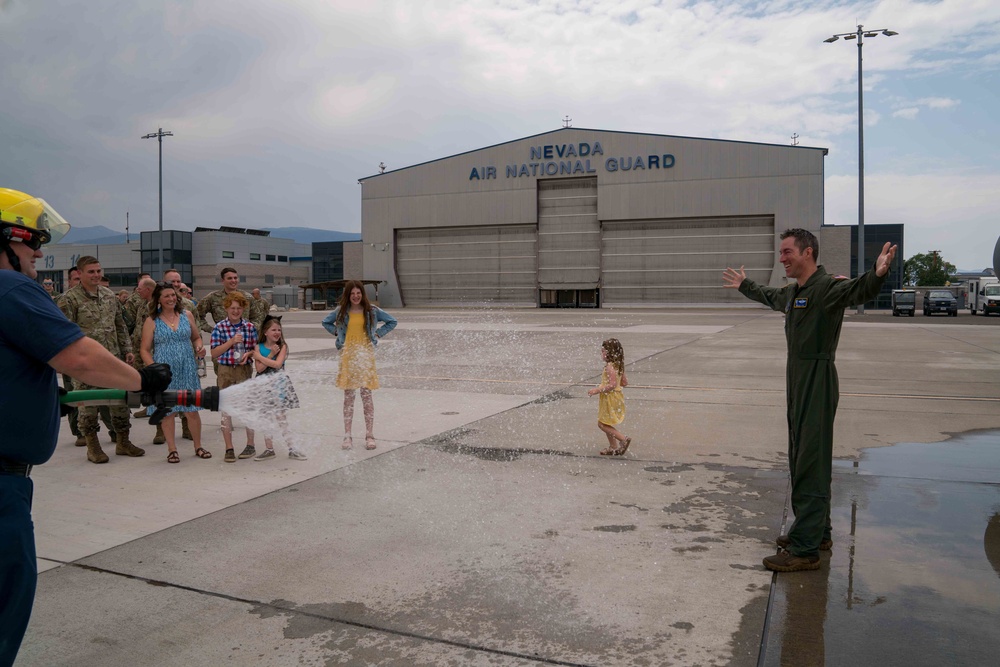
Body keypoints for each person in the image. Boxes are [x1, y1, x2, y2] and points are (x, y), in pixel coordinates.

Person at [0, 187, 171, 666]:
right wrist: (143, 379)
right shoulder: (10, 287)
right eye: (31, 240)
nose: (38, 252)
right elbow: (78, 354)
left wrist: (31, 397)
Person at [723, 228, 897, 573]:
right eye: (782, 252)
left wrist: (877, 273)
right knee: (803, 454)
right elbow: (773, 296)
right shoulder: (796, 292)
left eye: (788, 252)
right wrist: (746, 285)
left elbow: (856, 290)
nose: (782, 258)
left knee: (809, 462)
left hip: (816, 379)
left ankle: (805, 549)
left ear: (808, 253)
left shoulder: (826, 288)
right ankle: (819, 532)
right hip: (798, 380)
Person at [59, 256, 145, 463]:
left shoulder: (109, 296)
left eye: (98, 271)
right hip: (86, 363)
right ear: (79, 274)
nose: (96, 275)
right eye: (91, 272)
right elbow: (63, 332)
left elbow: (120, 325)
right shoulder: (69, 299)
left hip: (112, 358)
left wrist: (127, 349)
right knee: (87, 403)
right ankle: (92, 446)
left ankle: (123, 442)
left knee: (119, 400)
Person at [321, 280, 397, 450]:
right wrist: (337, 333)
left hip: (365, 357)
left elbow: (392, 321)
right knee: (348, 397)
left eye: (358, 293)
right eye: (352, 293)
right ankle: (347, 436)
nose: (355, 296)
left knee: (366, 396)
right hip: (348, 356)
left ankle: (369, 435)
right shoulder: (340, 311)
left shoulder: (372, 311)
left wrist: (377, 334)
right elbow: (325, 322)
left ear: (362, 294)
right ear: (348, 295)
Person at [140, 282, 210, 463]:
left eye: (173, 295)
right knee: (167, 411)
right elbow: (145, 350)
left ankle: (198, 446)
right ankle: (172, 449)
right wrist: (154, 369)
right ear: (159, 300)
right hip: (164, 372)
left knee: (192, 410)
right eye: (166, 296)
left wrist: (199, 348)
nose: (171, 299)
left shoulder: (187, 315)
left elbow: (196, 337)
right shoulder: (151, 321)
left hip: (187, 367)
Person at [210, 291, 259, 462]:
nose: (236, 311)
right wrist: (231, 342)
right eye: (232, 308)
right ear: (226, 309)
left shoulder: (250, 327)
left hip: (243, 369)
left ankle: (250, 444)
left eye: (239, 308)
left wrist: (249, 354)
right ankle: (229, 447)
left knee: (248, 407)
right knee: (226, 410)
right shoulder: (220, 327)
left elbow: (255, 349)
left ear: (243, 309)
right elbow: (214, 352)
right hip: (225, 370)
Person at [251, 316, 307, 461]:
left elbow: (277, 365)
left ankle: (292, 448)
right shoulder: (258, 347)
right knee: (265, 417)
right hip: (263, 384)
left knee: (281, 417)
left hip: (278, 384)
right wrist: (269, 355)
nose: (277, 333)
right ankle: (269, 449)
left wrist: (261, 357)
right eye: (273, 330)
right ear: (265, 332)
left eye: (279, 330)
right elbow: (259, 368)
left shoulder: (283, 346)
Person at [163, 269, 197, 441]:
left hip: (185, 360)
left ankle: (187, 427)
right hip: (162, 360)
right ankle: (161, 432)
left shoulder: (188, 306)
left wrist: (198, 348)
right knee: (166, 401)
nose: (176, 285)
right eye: (172, 282)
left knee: (187, 398)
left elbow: (194, 333)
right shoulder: (151, 307)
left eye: (178, 281)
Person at [587, 338, 632, 456]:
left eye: (603, 351)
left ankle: (623, 439)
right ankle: (613, 447)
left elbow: (612, 385)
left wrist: (597, 390)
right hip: (616, 397)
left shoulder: (610, 367)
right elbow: (624, 383)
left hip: (609, 398)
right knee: (606, 421)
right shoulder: (619, 365)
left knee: (602, 424)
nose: (601, 354)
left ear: (609, 353)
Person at [197, 267, 266, 335]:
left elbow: (257, 317)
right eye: (229, 278)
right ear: (222, 281)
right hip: (223, 339)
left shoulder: (247, 297)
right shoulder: (213, 297)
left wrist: (249, 330)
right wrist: (213, 330)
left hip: (244, 338)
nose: (233, 280)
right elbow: (196, 315)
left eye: (235, 278)